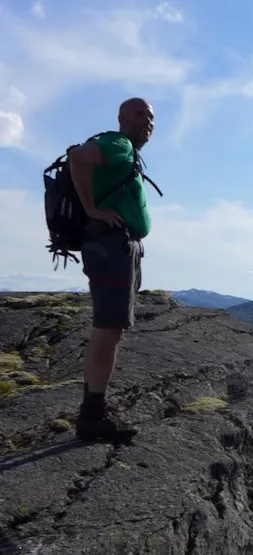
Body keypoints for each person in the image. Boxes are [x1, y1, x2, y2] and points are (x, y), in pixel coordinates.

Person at [68, 98, 155, 442]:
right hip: (111, 246)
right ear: (121, 119)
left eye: (150, 117)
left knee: (107, 328)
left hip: (117, 246)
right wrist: (93, 210)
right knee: (110, 328)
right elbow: (79, 156)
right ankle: (93, 415)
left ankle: (93, 406)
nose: (146, 121)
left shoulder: (125, 150)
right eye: (139, 114)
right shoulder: (117, 143)